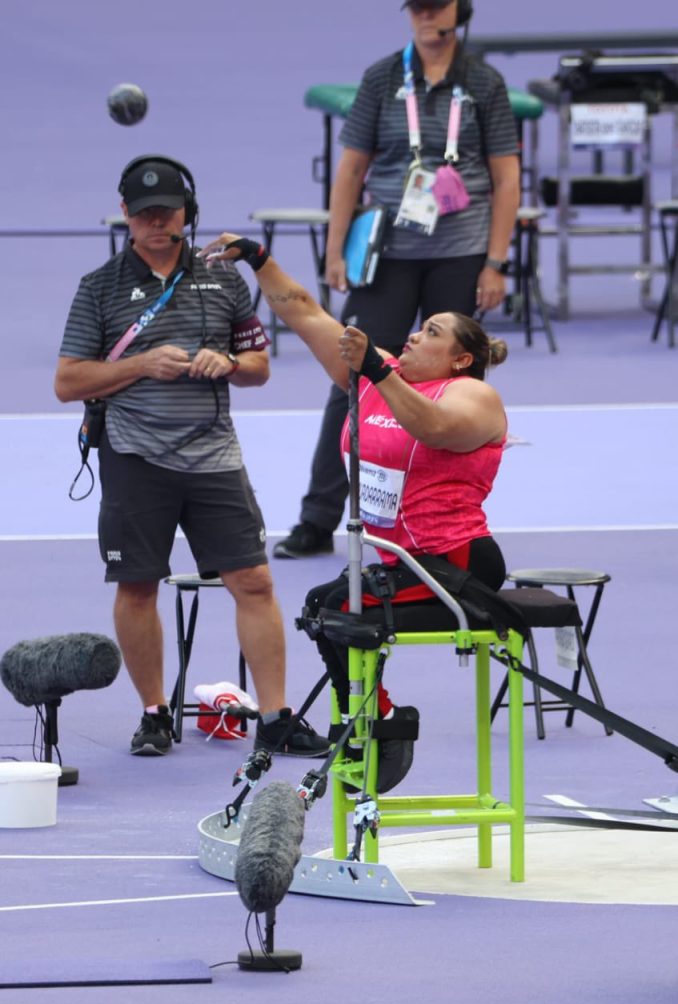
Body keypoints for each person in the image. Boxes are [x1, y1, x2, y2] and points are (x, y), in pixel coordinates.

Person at [198, 232, 509, 788]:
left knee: (337, 607)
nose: (415, 334)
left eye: (432, 333)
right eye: (418, 327)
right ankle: (374, 716)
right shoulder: (373, 376)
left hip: (454, 563)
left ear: (460, 358)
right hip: (397, 562)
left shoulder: (471, 396)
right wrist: (258, 259)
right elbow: (303, 310)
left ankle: (380, 728)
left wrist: (379, 371)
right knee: (325, 604)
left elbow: (431, 428)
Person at [54, 155, 329, 759]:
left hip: (214, 458)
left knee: (254, 581)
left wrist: (228, 363)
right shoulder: (98, 288)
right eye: (146, 213)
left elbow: (259, 367)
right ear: (125, 214)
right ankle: (154, 715)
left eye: (169, 212)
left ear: (188, 212)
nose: (158, 223)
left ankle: (277, 717)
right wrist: (141, 364)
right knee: (137, 586)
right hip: (135, 457)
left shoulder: (224, 280)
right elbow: (69, 381)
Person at [273, 0, 519, 560]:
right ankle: (318, 518)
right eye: (418, 7)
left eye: (438, 7)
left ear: (462, 12)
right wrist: (337, 248)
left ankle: (441, 519)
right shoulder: (382, 77)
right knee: (356, 375)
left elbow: (506, 177)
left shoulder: (483, 82)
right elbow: (352, 167)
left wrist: (496, 261)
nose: (427, 17)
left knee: (451, 388)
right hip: (388, 253)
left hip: (460, 250)